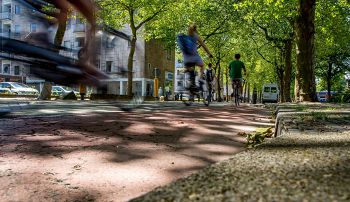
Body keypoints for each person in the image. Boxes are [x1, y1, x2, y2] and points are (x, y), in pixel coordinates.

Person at [177, 24, 213, 93]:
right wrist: (209, 53)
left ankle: (189, 82)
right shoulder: (196, 36)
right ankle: (199, 79)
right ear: (195, 30)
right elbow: (203, 46)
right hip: (194, 57)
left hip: (186, 58)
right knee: (202, 66)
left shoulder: (185, 37)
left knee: (191, 70)